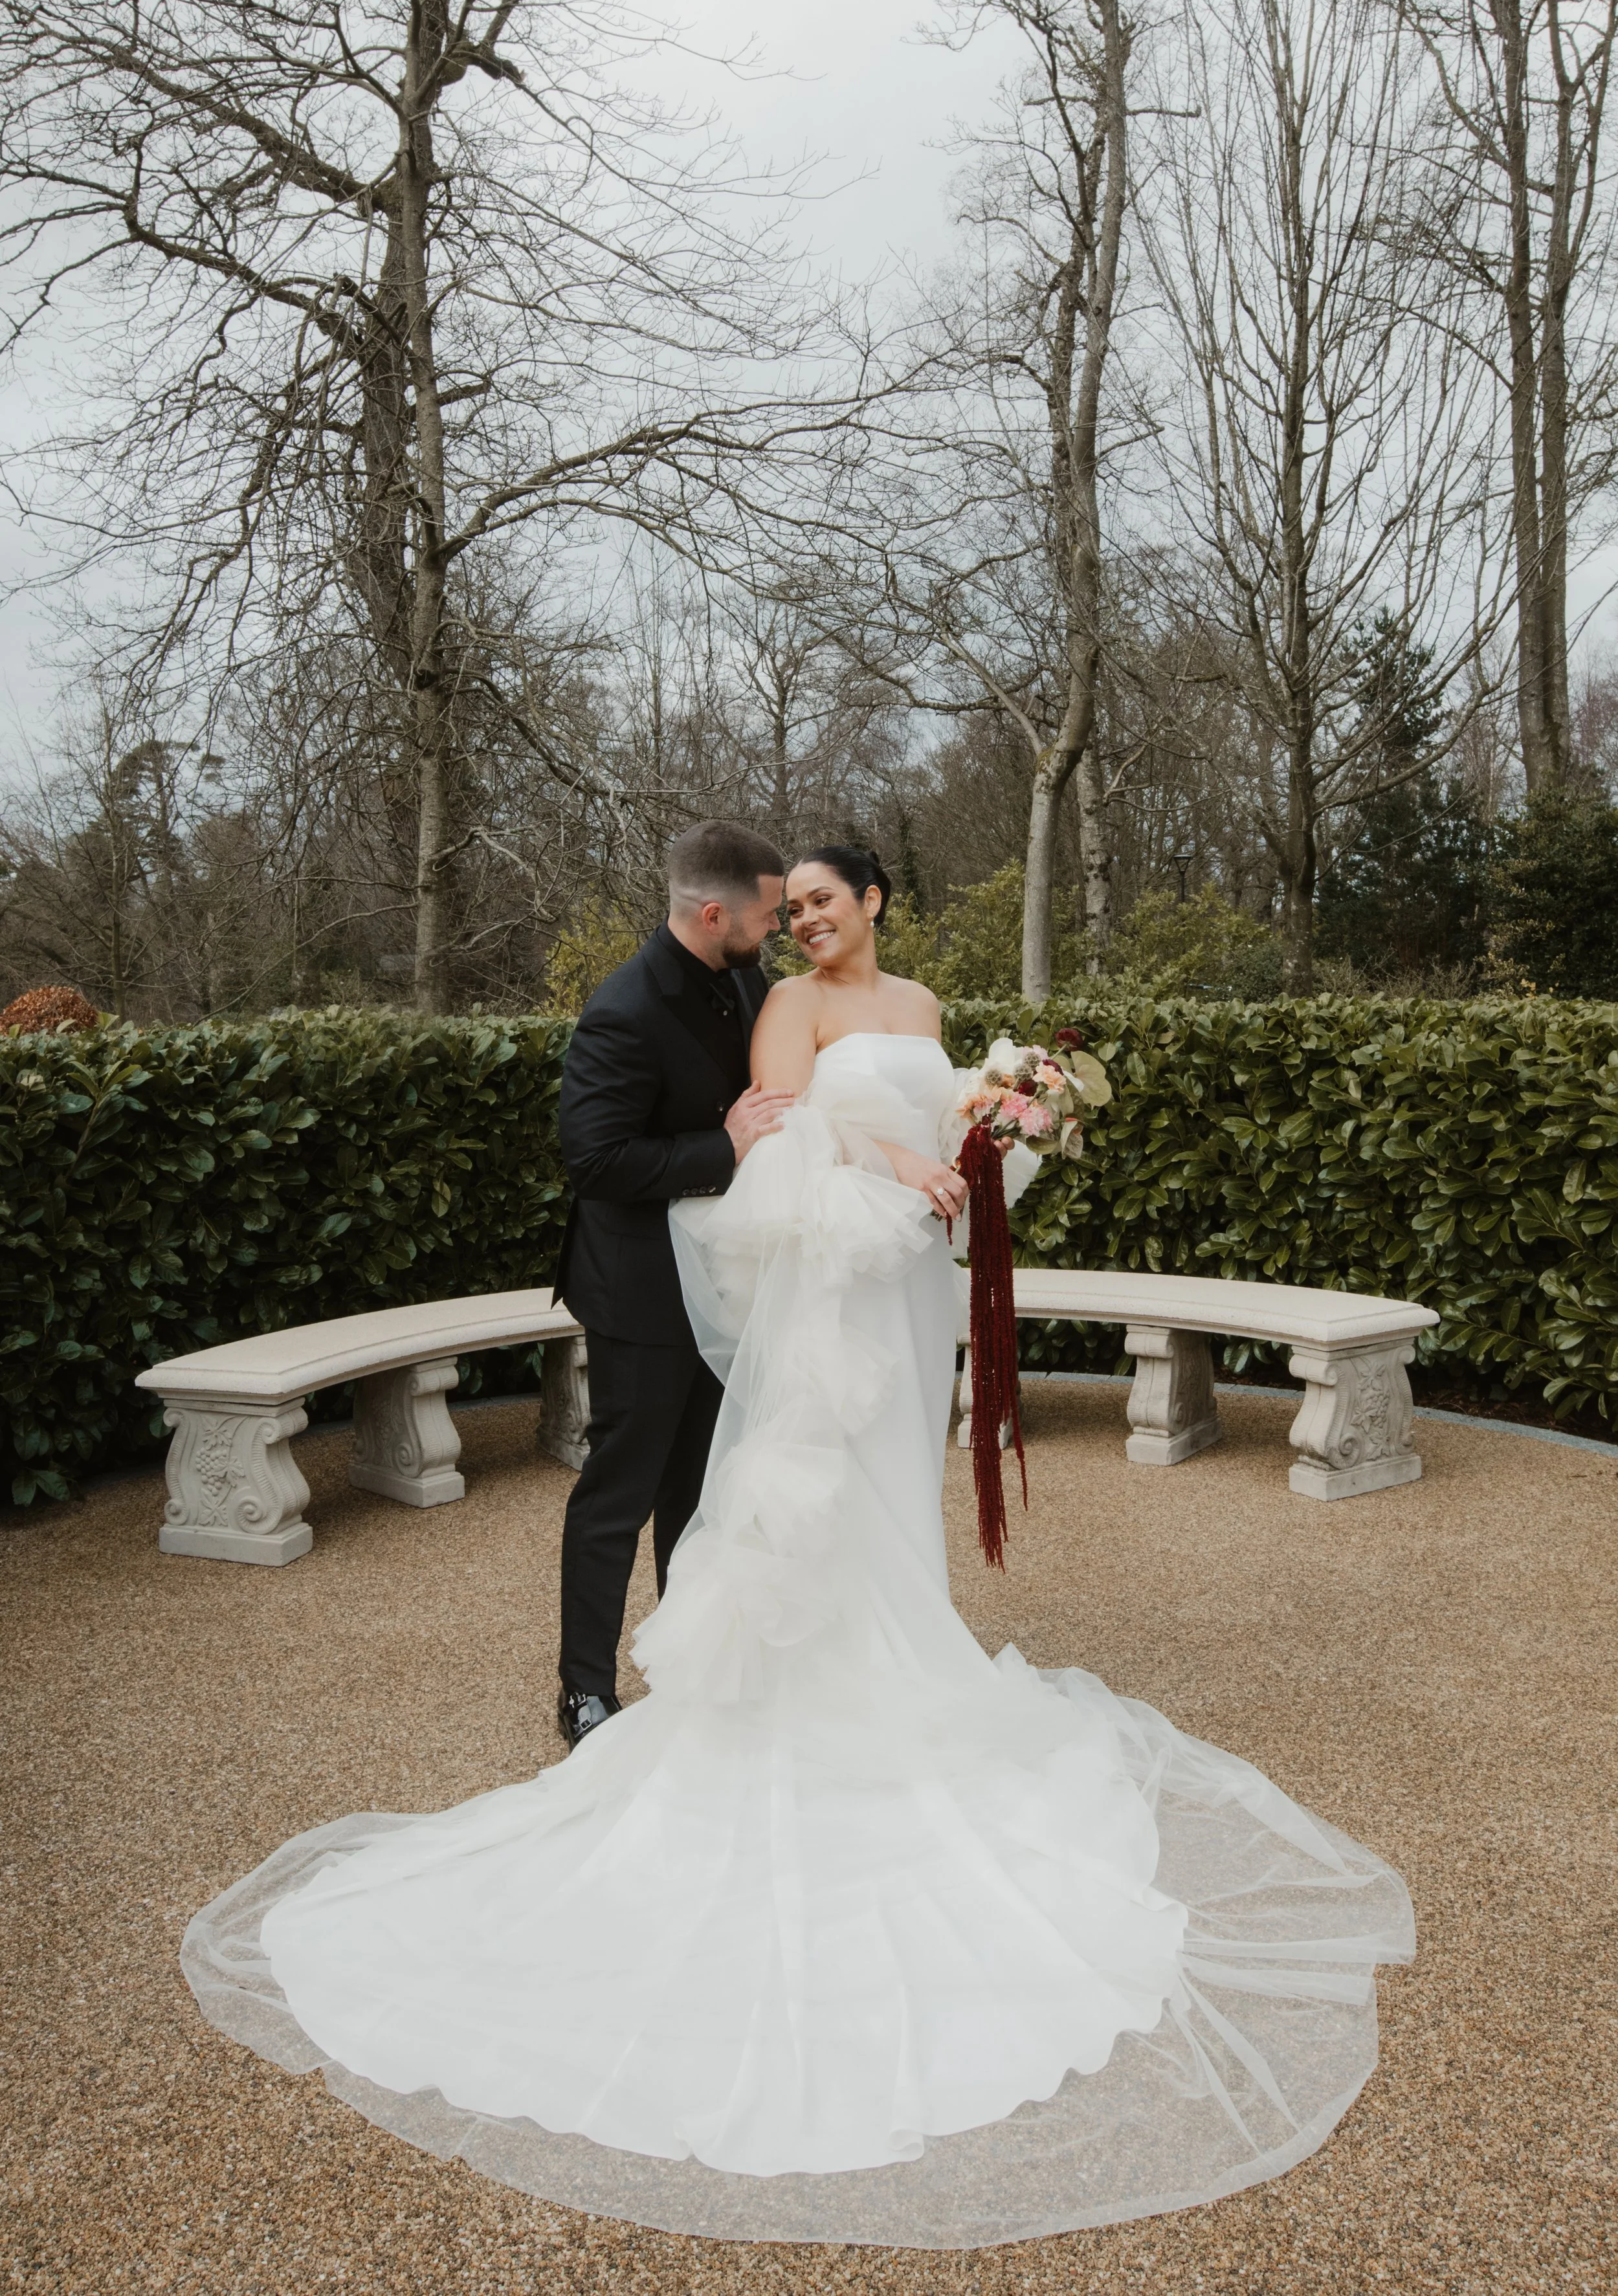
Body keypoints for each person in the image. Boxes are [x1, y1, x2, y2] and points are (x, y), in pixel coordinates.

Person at [181, 843, 1414, 2251]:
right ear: (739, 913)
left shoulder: (881, 991)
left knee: (832, 1489)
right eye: (788, 902)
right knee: (689, 1482)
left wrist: (995, 1133)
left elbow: (929, 1117)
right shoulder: (720, 1005)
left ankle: (803, 1639)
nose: (803, 917)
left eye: (823, 899)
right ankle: (608, 1685)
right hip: (800, 1279)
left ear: (873, 905)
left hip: (905, 1279)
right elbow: (758, 1140)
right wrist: (876, 1155)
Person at [550, 820, 791, 1749]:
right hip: (642, 1294)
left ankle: (685, 1668)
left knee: (698, 1490)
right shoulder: (624, 1008)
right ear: (713, 910)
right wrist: (720, 1149)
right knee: (621, 1490)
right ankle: (582, 1688)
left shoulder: (744, 978)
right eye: (766, 917)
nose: (773, 932)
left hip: (721, 1288)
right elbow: (594, 1157)